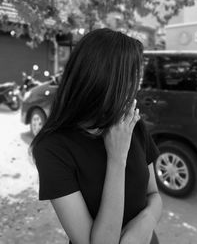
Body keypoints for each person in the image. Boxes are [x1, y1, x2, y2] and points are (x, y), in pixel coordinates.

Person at [30, 28, 163, 244]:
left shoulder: (131, 124)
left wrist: (143, 225)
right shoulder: (53, 149)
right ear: (102, 83)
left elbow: (154, 195)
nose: (136, 88)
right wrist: (117, 158)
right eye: (131, 79)